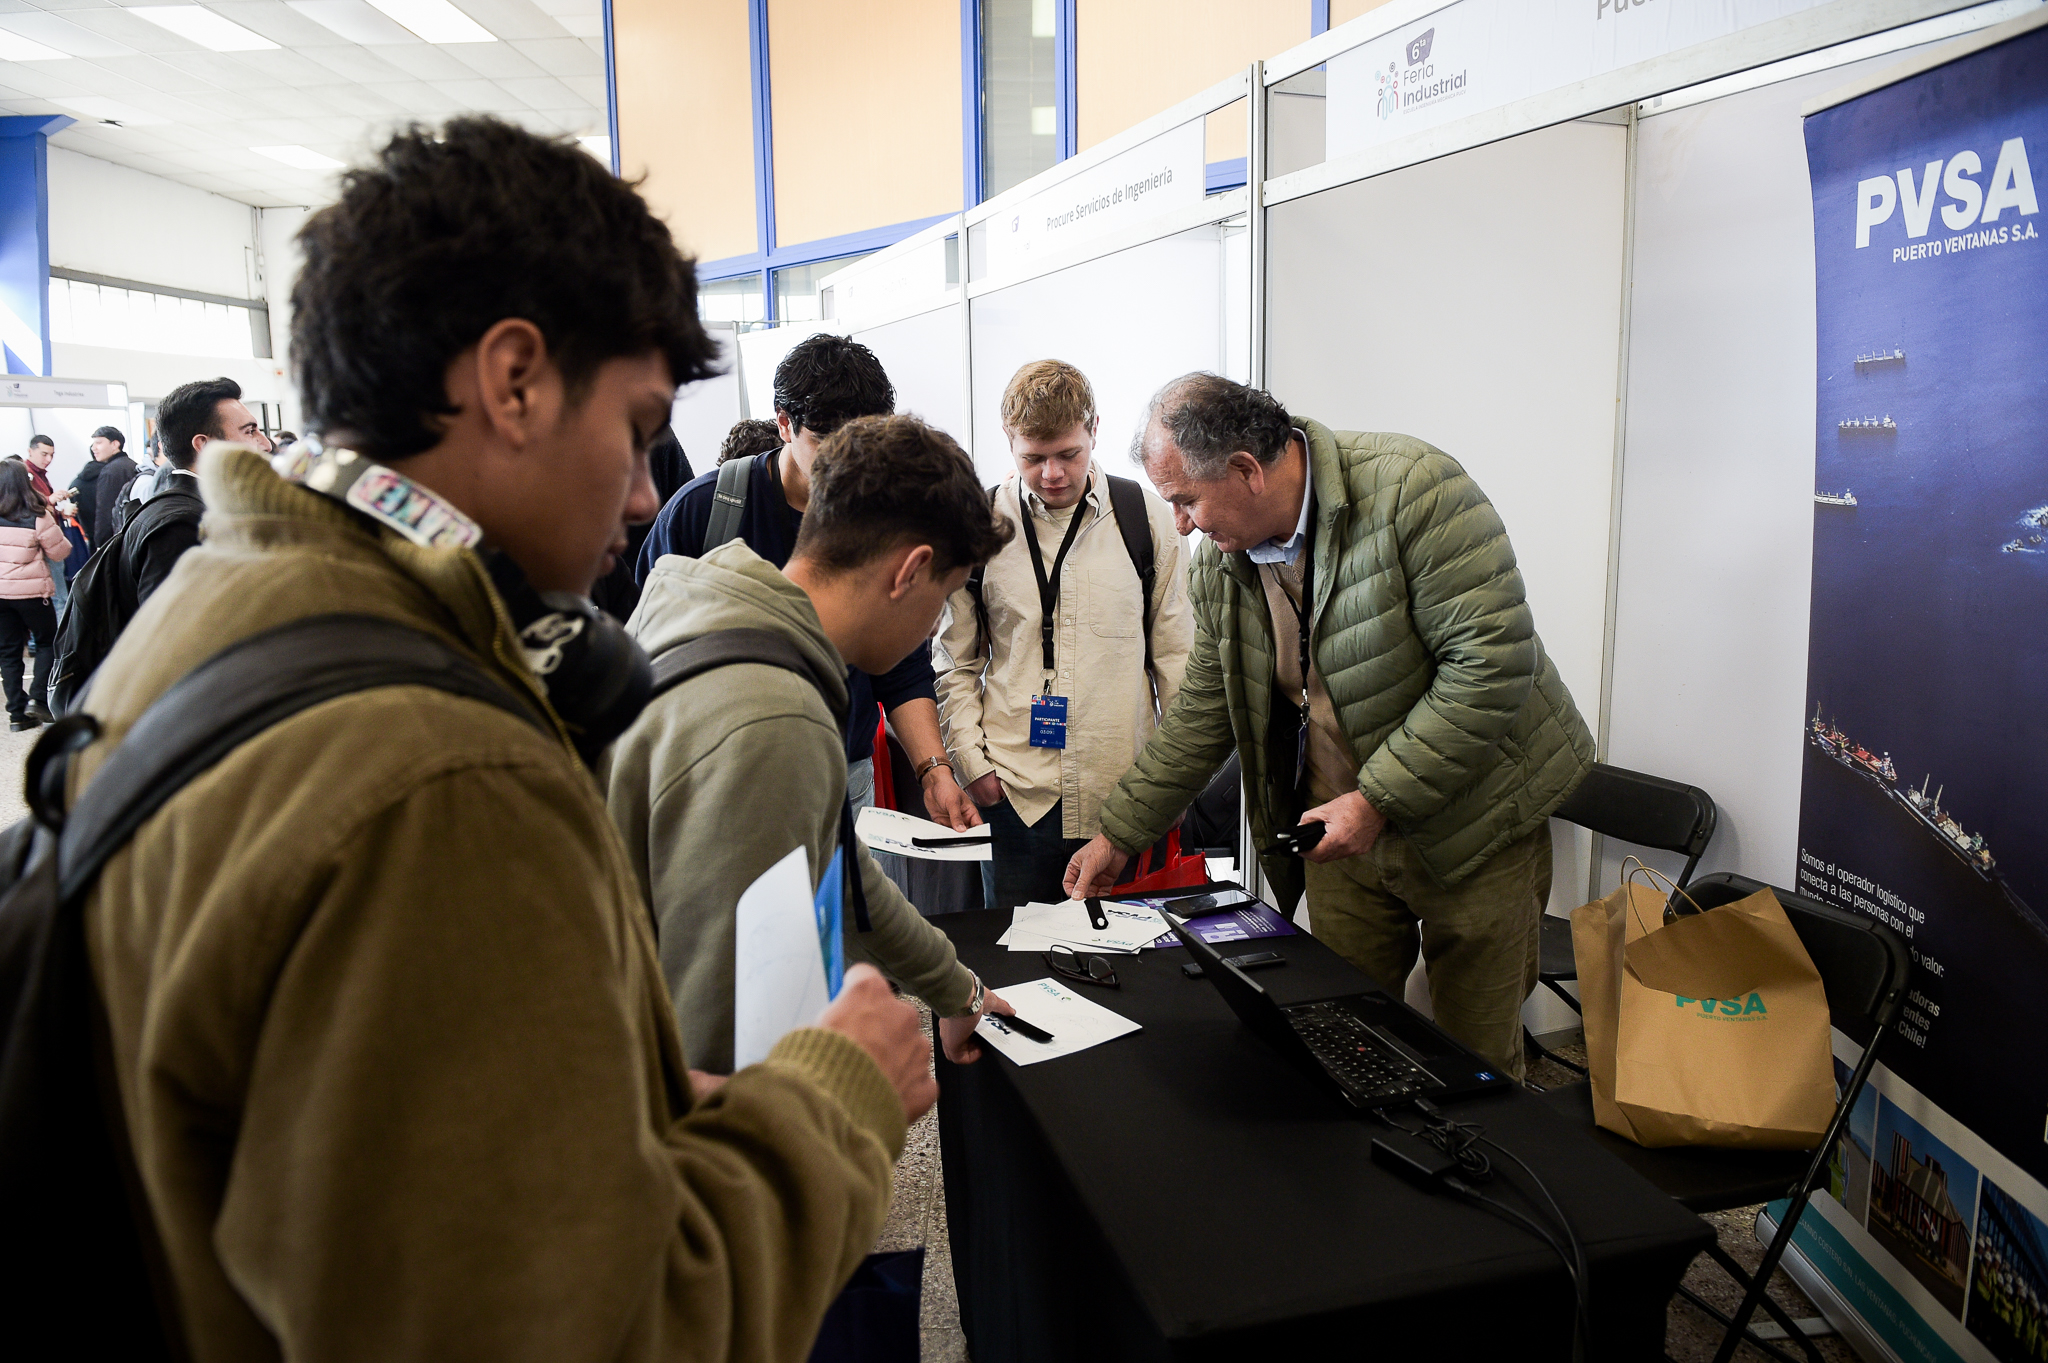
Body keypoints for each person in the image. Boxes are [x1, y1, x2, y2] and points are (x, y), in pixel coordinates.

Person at [80, 116, 936, 1361]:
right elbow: (593, 1330)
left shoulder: (230, 611)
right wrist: (836, 1099)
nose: (646, 495)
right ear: (515, 378)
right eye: (637, 428)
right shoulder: (442, 775)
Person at [1065, 374, 1594, 1079]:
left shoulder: (1416, 491)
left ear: (1248, 470)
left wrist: (1377, 799)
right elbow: (1204, 710)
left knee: (1474, 1057)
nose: (1184, 524)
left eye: (1186, 499)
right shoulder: (1222, 566)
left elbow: (1492, 666)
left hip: (1475, 822)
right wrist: (1121, 833)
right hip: (1342, 831)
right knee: (1348, 1030)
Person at [605, 413, 1016, 1072]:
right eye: (940, 601)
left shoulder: (710, 603)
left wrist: (957, 988)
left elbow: (846, 871)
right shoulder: (775, 720)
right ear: (908, 571)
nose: (930, 629)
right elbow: (720, 1035)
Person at [636, 334, 980, 835]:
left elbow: (901, 664)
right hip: (718, 775)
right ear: (783, 423)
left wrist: (933, 769)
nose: (850, 464)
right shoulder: (703, 511)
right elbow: (643, 647)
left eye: (867, 440)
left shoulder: (880, 514)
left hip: (845, 767)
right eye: (827, 443)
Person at [933, 360, 1193, 909]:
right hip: (1014, 794)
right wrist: (971, 764)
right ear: (1009, 442)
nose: (1051, 474)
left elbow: (1177, 660)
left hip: (1123, 794)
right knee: (1017, 969)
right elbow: (954, 662)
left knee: (1133, 970)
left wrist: (1176, 780)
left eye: (1068, 455)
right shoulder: (976, 525)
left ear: (1093, 429)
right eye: (1033, 458)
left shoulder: (1147, 518)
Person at [0, 459, 70, 727]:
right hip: (31, 595)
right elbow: (59, 552)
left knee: (9, 652)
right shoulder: (37, 515)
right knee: (46, 642)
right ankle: (38, 700)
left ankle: (17, 714)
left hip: (1, 596)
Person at [22, 433, 75, 615]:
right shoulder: (25, 475)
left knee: (57, 595)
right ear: (30, 451)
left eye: (51, 455)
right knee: (58, 597)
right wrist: (48, 500)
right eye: (44, 454)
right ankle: (66, 641)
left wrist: (58, 510)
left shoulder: (40, 475)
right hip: (40, 543)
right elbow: (27, 506)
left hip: (49, 539)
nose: (49, 459)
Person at [90, 427, 140, 541]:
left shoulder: (110, 471)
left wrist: (100, 541)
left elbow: (105, 510)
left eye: (98, 443)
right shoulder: (132, 465)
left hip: (116, 537)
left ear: (115, 444)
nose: (94, 448)